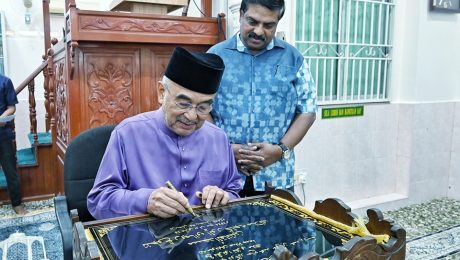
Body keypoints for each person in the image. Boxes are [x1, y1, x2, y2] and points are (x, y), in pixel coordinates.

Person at [88, 47, 242, 219]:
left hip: (203, 243)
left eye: (203, 107)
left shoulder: (218, 138)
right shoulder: (127, 134)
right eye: (183, 104)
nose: (191, 116)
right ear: (162, 93)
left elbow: (233, 191)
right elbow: (99, 201)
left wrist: (222, 196)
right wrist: (145, 201)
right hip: (145, 241)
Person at [207, 0, 317, 196]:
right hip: (223, 175)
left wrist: (280, 150)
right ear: (241, 14)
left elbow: (307, 111)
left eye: (268, 25)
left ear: (277, 22)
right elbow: (201, 108)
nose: (258, 31)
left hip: (275, 177)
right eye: (252, 21)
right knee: (224, 226)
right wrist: (225, 149)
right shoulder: (215, 56)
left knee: (277, 226)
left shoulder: (293, 58)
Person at [0, 74, 27, 215]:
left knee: (10, 171)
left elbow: (11, 107)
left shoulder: (5, 81)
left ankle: (17, 204)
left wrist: (2, 118)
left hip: (3, 134)